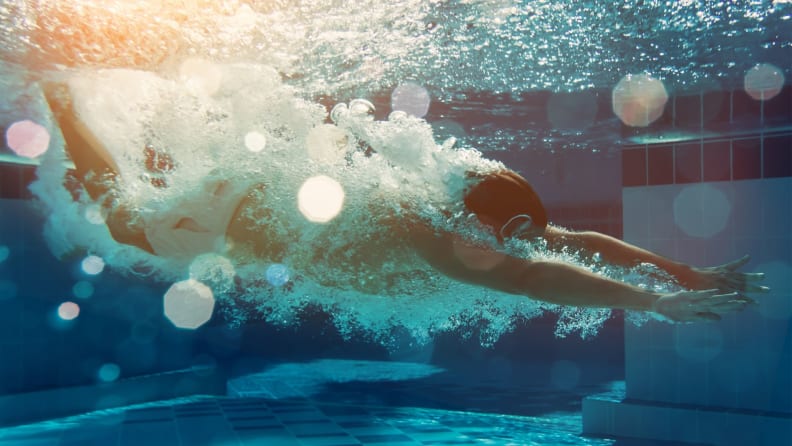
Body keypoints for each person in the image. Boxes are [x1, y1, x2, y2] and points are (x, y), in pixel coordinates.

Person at [41, 78, 767, 325]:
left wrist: (689, 276)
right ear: (472, 221)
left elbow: (580, 246)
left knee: (143, 205)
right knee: (126, 220)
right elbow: (522, 277)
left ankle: (144, 124)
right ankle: (67, 109)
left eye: (524, 230)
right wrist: (651, 304)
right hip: (223, 219)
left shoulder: (485, 220)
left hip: (258, 205)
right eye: (508, 231)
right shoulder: (420, 222)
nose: (521, 242)